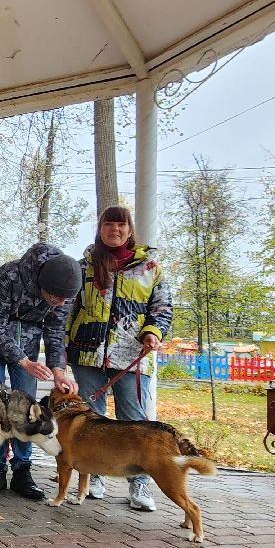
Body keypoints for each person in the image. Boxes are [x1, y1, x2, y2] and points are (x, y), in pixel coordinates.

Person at [64, 205, 173, 512]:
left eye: (121, 225)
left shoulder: (149, 266)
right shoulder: (83, 265)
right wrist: (60, 347)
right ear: (100, 229)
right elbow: (67, 310)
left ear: (129, 230)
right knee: (89, 424)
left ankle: (139, 485)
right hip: (87, 353)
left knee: (136, 423)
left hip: (131, 357)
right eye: (108, 224)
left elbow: (163, 309)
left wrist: (153, 332)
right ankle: (93, 477)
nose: (115, 230)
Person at [0, 243, 81, 499]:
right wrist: (22, 361)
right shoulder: (9, 276)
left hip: (29, 350)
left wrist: (58, 369)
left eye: (67, 300)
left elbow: (55, 330)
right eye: (57, 298)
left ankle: (22, 470)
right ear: (43, 285)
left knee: (28, 411)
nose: (62, 303)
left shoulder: (66, 289)